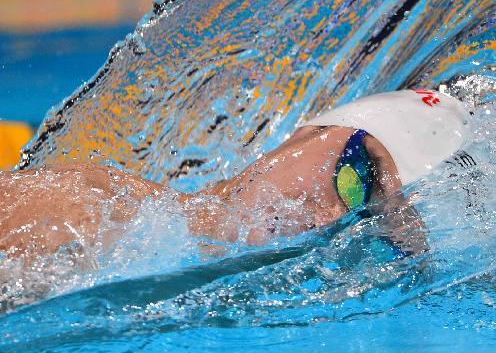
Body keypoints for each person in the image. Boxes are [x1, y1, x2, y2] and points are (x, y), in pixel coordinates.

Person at [0, 89, 471, 268]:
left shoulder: (142, 226)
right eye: (352, 180)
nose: (328, 214)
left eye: (355, 197)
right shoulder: (91, 212)